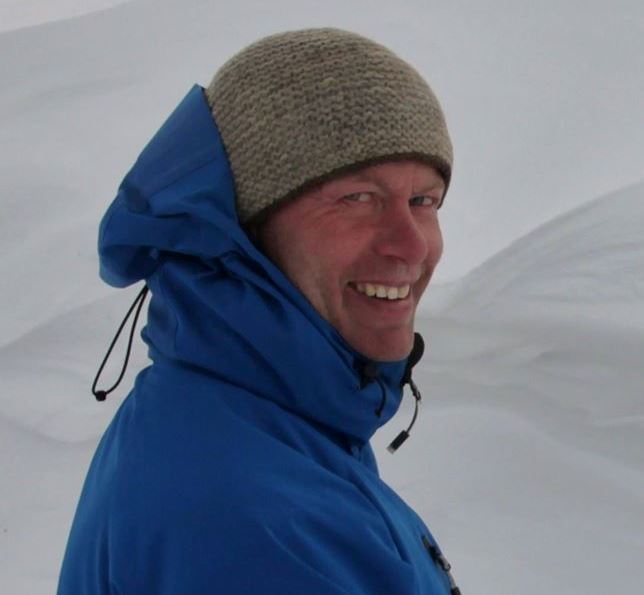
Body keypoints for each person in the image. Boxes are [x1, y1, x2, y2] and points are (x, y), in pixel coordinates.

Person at [57, 28, 461, 594]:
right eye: (357, 198)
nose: (411, 245)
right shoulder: (247, 518)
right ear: (246, 227)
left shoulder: (262, 421)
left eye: (423, 201)